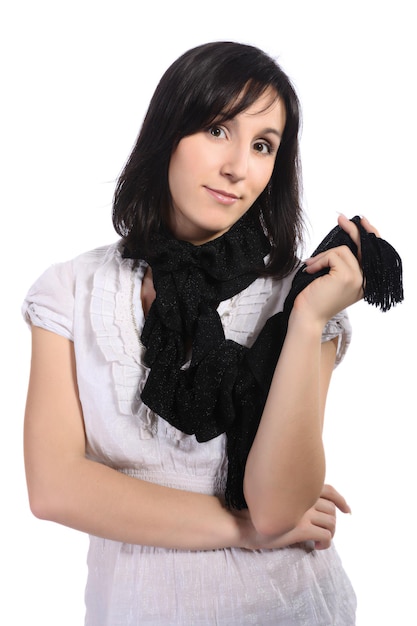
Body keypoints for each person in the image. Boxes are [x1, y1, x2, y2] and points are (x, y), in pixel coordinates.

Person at [22, 41, 381, 625]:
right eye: (218, 130)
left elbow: (278, 506)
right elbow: (55, 489)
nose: (239, 166)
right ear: (168, 132)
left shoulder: (299, 297)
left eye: (263, 145)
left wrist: (309, 321)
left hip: (285, 607)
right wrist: (239, 529)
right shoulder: (70, 289)